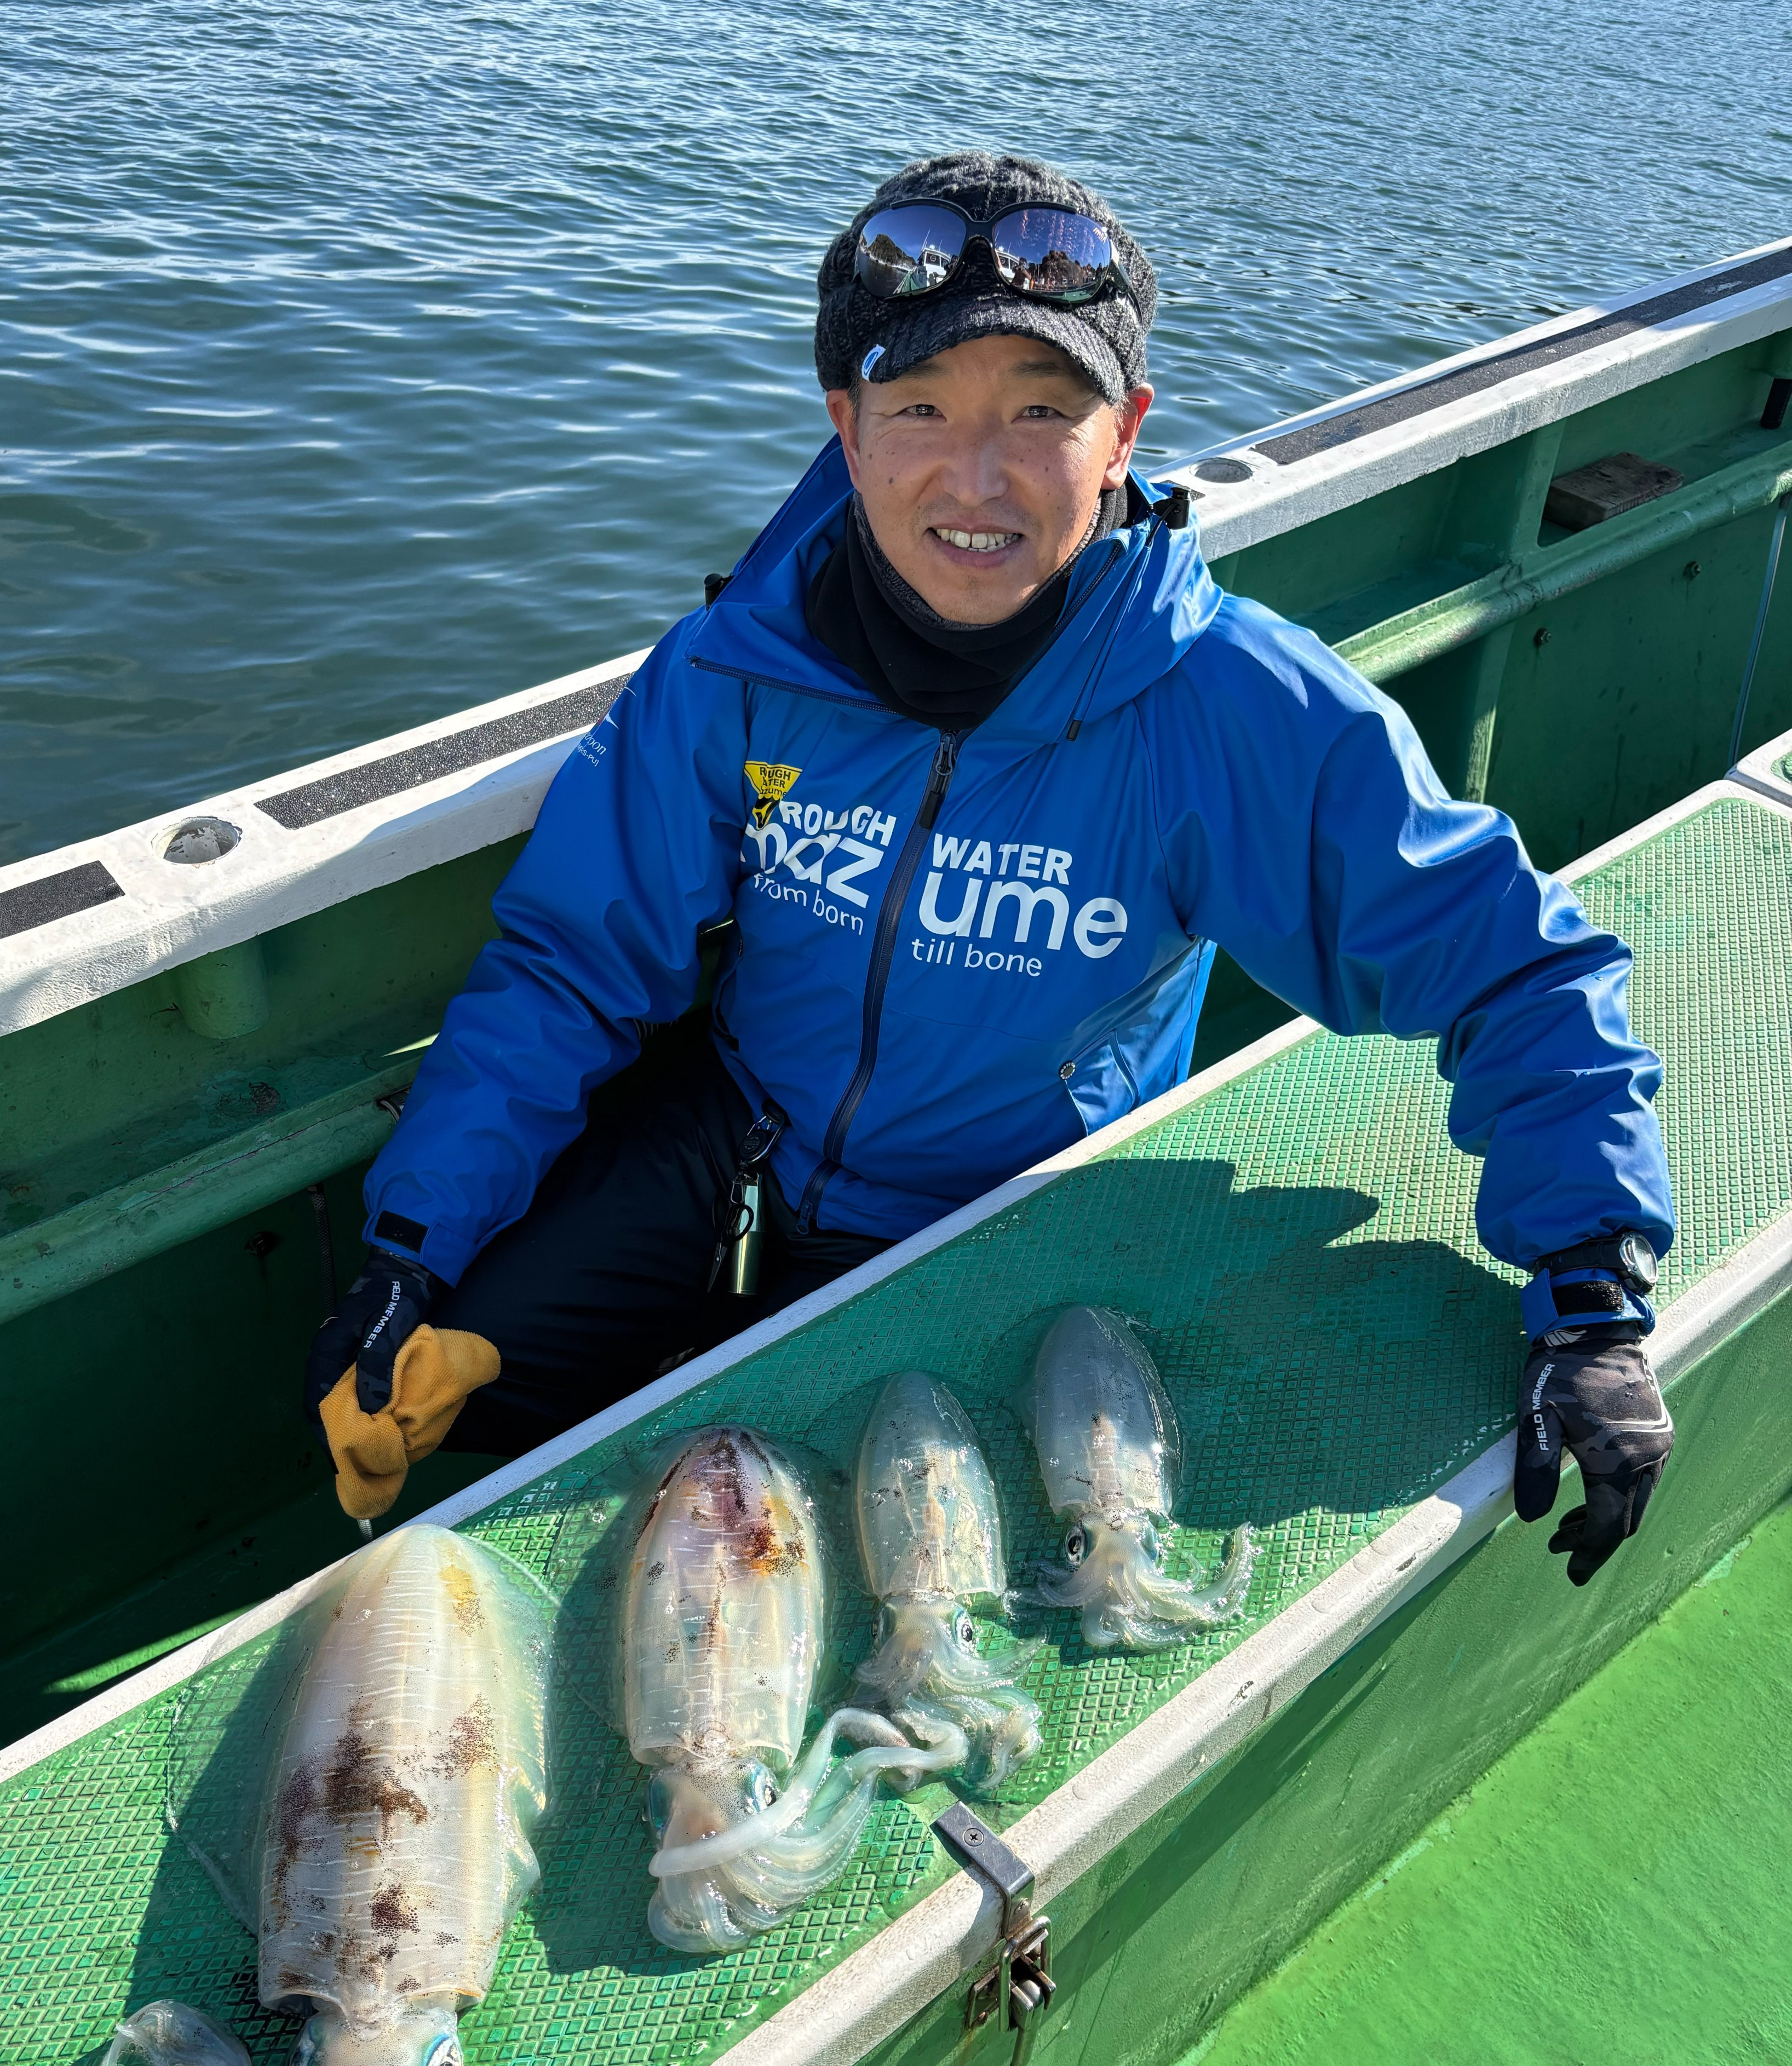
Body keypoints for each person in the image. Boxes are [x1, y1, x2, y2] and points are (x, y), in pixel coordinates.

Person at [306, 151, 1676, 1586]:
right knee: (443, 1394)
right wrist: (411, 1244)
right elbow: (570, 964)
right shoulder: (734, 669)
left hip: (1010, 1219)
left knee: (929, 1577)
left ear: (1126, 431)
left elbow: (1520, 965)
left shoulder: (1224, 707)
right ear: (846, 429)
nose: (978, 477)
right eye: (920, 410)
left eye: (1044, 410)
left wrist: (1591, 1294)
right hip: (740, 1138)